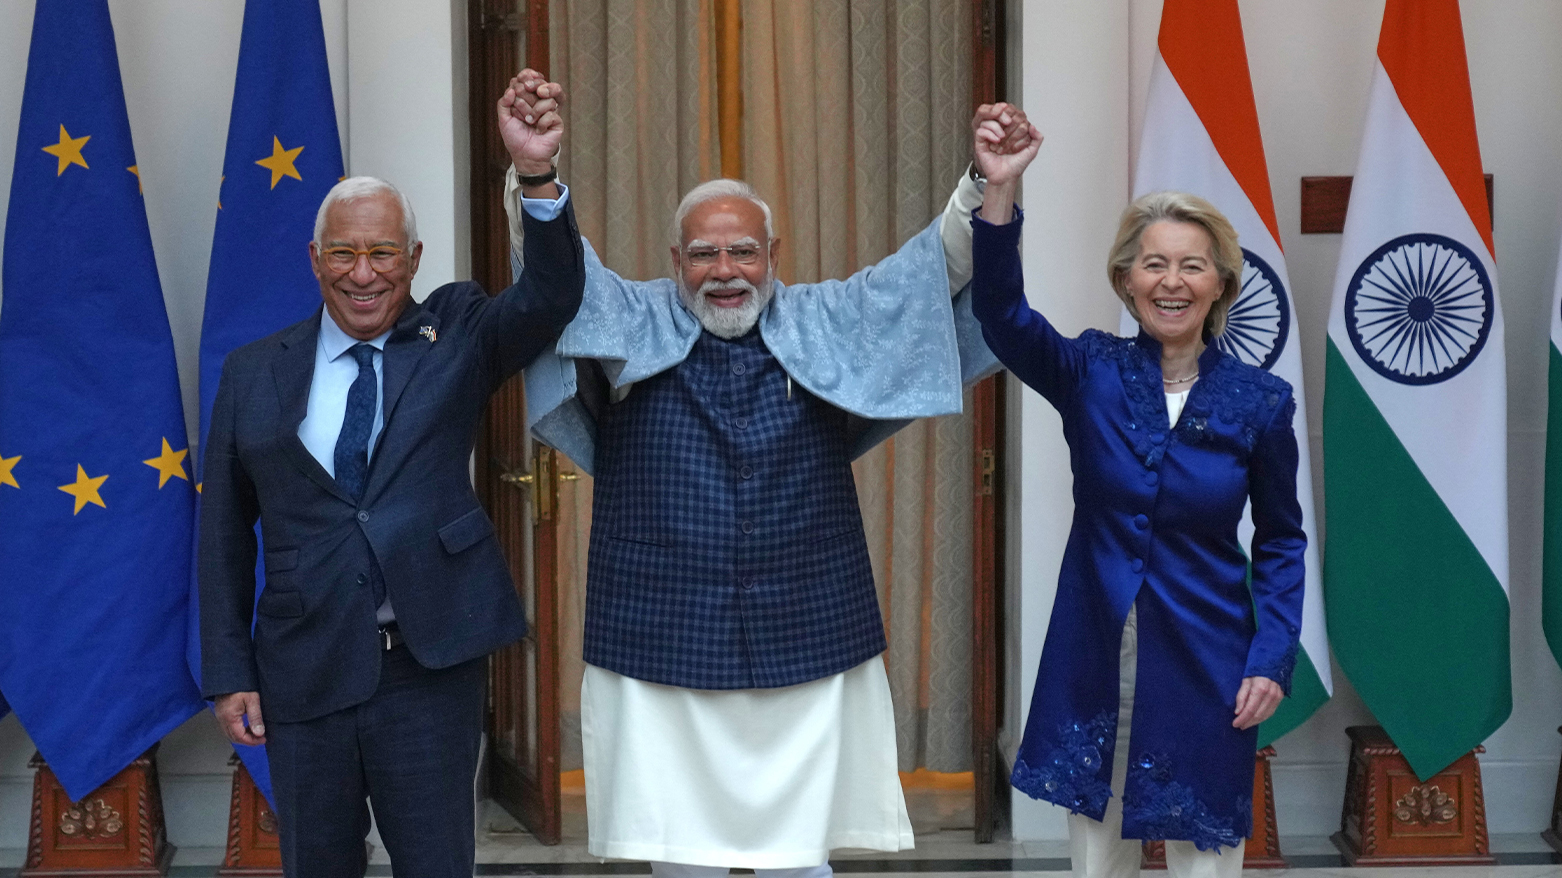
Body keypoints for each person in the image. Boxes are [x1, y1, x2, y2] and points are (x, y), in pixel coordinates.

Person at [501, 80, 1031, 878]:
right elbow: (556, 276)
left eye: (744, 250)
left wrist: (989, 181)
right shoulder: (629, 315)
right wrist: (537, 176)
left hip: (807, 628)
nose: (726, 270)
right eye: (705, 254)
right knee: (677, 857)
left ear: (774, 258)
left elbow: (930, 272)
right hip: (660, 634)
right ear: (675, 260)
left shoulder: (826, 316)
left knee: (799, 859)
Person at [198, 73, 584, 878]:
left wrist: (538, 176)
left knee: (438, 864)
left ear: (412, 259)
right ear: (315, 259)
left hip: (427, 663)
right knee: (319, 865)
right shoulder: (252, 374)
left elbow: (551, 295)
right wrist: (230, 671)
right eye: (343, 252)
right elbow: (224, 535)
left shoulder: (459, 334)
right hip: (305, 665)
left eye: (382, 253)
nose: (363, 273)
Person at [967, 107, 1304, 878]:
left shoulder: (1260, 401)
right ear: (1125, 280)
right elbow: (1002, 316)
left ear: (1220, 281)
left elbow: (1282, 539)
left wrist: (1272, 654)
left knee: (1204, 846)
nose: (1171, 282)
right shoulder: (1089, 371)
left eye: (1191, 265)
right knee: (1098, 847)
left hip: (1210, 651)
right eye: (1153, 264)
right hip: (1097, 643)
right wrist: (999, 193)